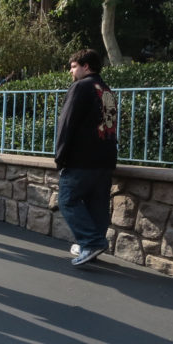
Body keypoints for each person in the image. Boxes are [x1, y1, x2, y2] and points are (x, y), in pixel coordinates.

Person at [55, 48, 118, 266]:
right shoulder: (107, 90)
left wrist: (60, 156)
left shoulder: (80, 87)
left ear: (86, 67)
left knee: (67, 199)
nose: (71, 72)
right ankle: (92, 245)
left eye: (73, 67)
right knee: (97, 203)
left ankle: (90, 242)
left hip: (82, 158)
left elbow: (67, 124)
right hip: (106, 158)